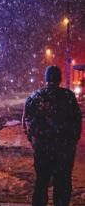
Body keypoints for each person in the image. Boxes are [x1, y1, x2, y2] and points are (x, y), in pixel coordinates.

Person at [22, 65, 82, 206]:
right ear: (60, 78)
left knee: (41, 183)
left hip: (43, 150)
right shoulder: (68, 96)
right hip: (64, 151)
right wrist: (70, 142)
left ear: (46, 79)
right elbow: (76, 123)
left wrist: (35, 142)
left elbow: (26, 124)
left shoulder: (34, 97)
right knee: (62, 184)